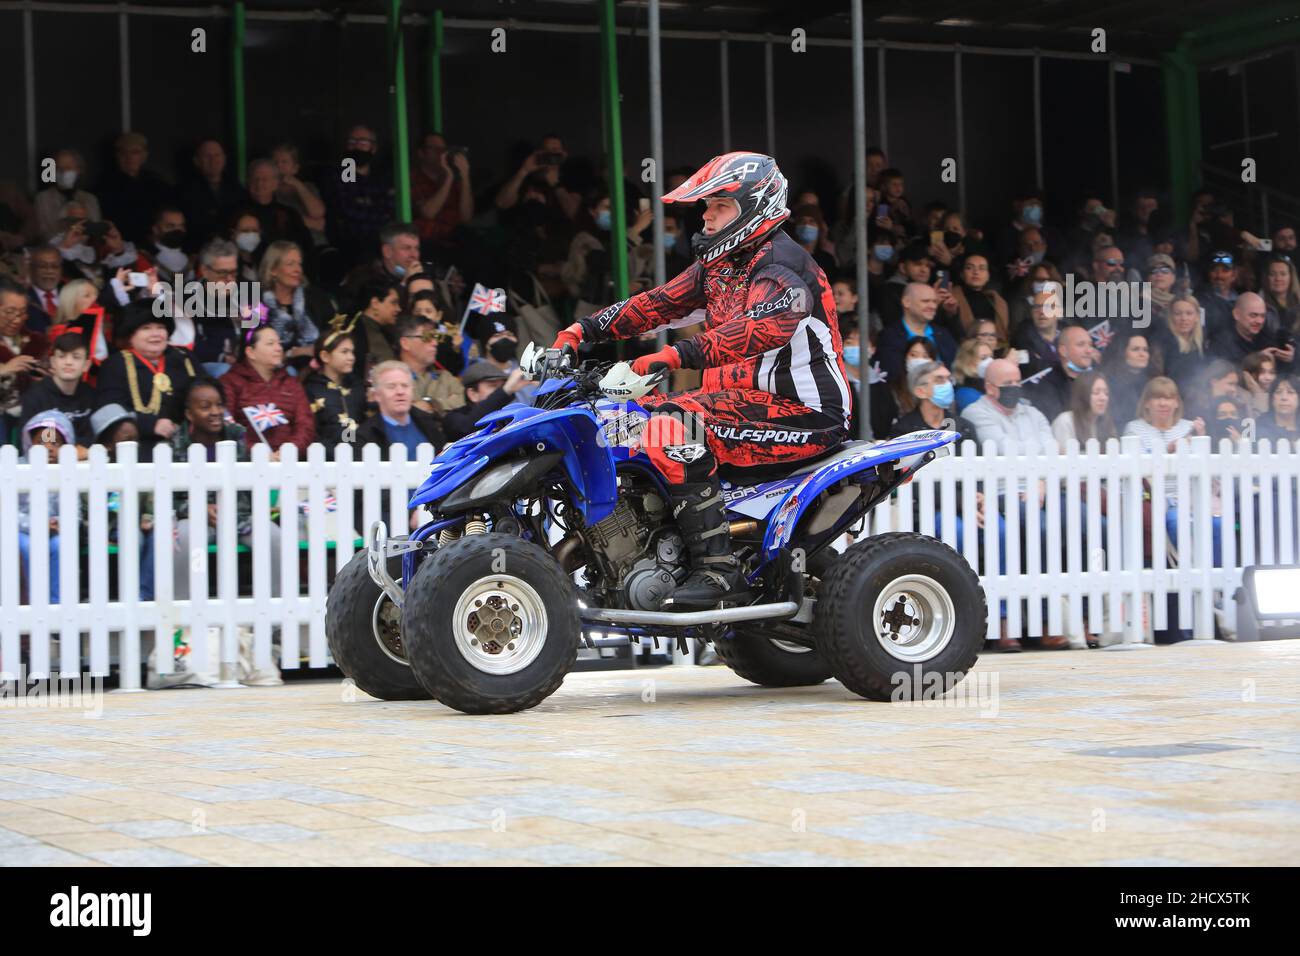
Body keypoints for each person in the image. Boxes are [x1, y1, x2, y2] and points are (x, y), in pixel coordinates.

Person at [548, 152, 850, 609]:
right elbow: (655, 305)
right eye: (707, 205)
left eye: (720, 205)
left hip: (804, 413)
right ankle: (643, 548)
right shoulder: (720, 266)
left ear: (754, 207)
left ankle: (717, 568)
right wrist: (579, 332)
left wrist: (667, 358)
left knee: (672, 426)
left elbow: (755, 331)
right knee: (618, 421)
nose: (706, 214)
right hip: (739, 401)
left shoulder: (783, 266)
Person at [95, 299, 196, 454]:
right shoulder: (115, 364)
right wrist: (151, 424)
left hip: (187, 441)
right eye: (146, 328)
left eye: (160, 327)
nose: (155, 334)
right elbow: (110, 409)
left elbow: (204, 391)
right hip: (138, 445)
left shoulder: (183, 357)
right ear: (131, 335)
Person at [219, 324, 314, 455]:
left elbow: (305, 426)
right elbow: (227, 426)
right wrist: (258, 453)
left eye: (279, 343)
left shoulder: (292, 383)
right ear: (251, 352)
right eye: (270, 344)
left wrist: (288, 451)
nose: (279, 348)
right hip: (246, 466)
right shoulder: (230, 382)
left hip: (289, 464)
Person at [16, 411, 75, 604]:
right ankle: (33, 602)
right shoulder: (18, 469)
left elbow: (75, 512)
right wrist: (37, 525)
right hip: (21, 530)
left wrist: (58, 523)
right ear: (29, 444)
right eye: (42, 442)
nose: (48, 448)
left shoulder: (67, 473)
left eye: (55, 443)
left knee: (60, 546)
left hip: (53, 532)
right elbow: (7, 511)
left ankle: (56, 603)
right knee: (28, 547)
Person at [322, 124, 395, 267]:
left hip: (380, 240)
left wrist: (366, 205)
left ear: (373, 148)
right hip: (352, 243)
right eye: (352, 142)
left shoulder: (381, 175)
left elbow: (390, 209)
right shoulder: (346, 170)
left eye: (362, 142)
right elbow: (348, 209)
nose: (356, 147)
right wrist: (375, 207)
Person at [18, 331, 96, 453]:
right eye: (62, 356)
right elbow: (29, 439)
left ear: (86, 365)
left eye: (76, 357)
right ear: (53, 362)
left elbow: (97, 437)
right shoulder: (35, 396)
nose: (68, 362)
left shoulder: (91, 395)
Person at [258, 240, 332, 368]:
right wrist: (295, 353)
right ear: (273, 270)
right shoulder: (256, 300)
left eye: (299, 264)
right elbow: (251, 347)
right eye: (290, 264)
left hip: (316, 369)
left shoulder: (317, 298)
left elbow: (332, 336)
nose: (297, 269)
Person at [95, 132, 173, 246]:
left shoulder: (159, 185)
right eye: (123, 153)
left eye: (135, 152)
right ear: (117, 156)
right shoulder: (103, 187)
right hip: (119, 247)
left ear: (144, 155)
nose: (129, 157)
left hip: (155, 247)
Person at [354, 360, 446, 457]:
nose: (400, 392)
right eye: (391, 387)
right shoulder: (364, 436)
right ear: (377, 395)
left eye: (405, 385)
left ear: (412, 391)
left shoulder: (430, 424)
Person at [1, 277, 51, 444]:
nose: (16, 319)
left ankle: (49, 456)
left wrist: (45, 377)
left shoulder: (36, 341)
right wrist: (5, 370)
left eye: (22, 313)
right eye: (9, 312)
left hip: (32, 416)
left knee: (50, 420)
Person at [877, 282, 958, 383]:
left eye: (934, 302)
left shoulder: (942, 334)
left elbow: (958, 369)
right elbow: (893, 375)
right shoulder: (890, 336)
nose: (932, 306)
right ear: (906, 302)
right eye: (925, 301)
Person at [302, 325, 366, 453]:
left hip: (362, 458)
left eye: (352, 352)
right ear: (325, 356)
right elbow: (311, 432)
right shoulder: (311, 390)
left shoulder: (358, 386)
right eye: (344, 352)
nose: (351, 357)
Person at [1023, 324, 1097, 424]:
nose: (1089, 350)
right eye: (1081, 344)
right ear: (1063, 351)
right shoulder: (1047, 386)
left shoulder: (1096, 381)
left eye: (1090, 345)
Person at [441, 360, 530, 443]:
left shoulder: (508, 418)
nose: (499, 391)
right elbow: (469, 427)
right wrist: (505, 390)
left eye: (501, 386)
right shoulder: (453, 418)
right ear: (473, 394)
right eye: (493, 386)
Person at [396, 313, 464, 415]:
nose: (435, 343)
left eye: (435, 337)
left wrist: (433, 405)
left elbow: (464, 399)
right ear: (405, 343)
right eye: (427, 337)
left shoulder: (445, 377)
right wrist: (447, 403)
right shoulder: (389, 378)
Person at [1208, 291, 1295, 370]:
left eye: (1263, 316)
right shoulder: (1221, 342)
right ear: (1236, 314)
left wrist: (1289, 358)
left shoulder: (1267, 337)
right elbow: (1222, 375)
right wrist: (1256, 361)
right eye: (1253, 315)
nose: (1259, 321)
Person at [34, 149, 102, 242]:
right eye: (58, 168)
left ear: (79, 170)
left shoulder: (90, 199)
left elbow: (96, 231)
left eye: (68, 168)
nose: (63, 172)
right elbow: (45, 233)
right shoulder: (43, 198)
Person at [1100, 331, 1158, 425]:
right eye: (1135, 349)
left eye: (1145, 350)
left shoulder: (1154, 381)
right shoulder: (1110, 383)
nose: (1142, 354)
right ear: (1123, 353)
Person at [1153, 295, 1208, 391]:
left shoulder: (1202, 341)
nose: (1184, 318)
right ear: (1171, 317)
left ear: (1197, 317)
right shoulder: (1163, 342)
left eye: (1189, 313)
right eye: (1178, 314)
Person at [1051, 370, 1116, 447]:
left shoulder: (1106, 423)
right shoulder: (1066, 421)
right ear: (1083, 394)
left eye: (1106, 393)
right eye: (1096, 392)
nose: (1103, 398)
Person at [951, 337, 993, 413]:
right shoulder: (965, 394)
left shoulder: (988, 384)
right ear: (967, 362)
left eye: (991, 357)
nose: (990, 361)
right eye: (983, 358)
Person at [1261, 254, 1300, 335]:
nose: (1278, 278)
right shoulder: (1258, 303)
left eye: (1283, 274)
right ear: (1267, 277)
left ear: (1291, 277)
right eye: (1272, 274)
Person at [1258, 374, 1299, 443]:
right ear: (1272, 399)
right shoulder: (1260, 426)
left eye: (1290, 392)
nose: (1284, 397)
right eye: (1278, 392)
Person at [1239, 351, 1278, 417]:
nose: (1268, 378)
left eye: (1271, 372)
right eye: (1262, 372)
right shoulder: (1240, 398)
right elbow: (1259, 423)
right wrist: (1258, 393)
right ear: (1248, 375)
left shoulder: (1276, 396)